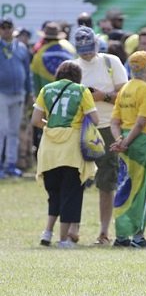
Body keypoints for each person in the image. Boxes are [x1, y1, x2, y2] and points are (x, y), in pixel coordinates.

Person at [31, 61, 99, 248]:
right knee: (71, 193)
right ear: (78, 76)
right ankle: (63, 239)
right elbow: (95, 119)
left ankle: (47, 233)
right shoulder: (81, 90)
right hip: (72, 149)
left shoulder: (46, 89)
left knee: (54, 193)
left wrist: (52, 125)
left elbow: (35, 120)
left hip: (49, 149)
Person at [73, 26, 129, 245]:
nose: (87, 53)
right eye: (82, 50)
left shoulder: (111, 62)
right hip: (80, 128)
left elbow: (125, 96)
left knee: (107, 181)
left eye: (90, 48)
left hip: (107, 127)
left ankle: (104, 232)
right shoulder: (72, 67)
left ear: (97, 44)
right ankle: (72, 229)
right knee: (75, 179)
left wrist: (101, 96)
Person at [110, 51, 146, 248]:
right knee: (143, 189)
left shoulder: (125, 89)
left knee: (126, 187)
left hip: (125, 140)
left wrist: (120, 140)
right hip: (143, 142)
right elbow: (142, 122)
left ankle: (122, 234)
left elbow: (115, 121)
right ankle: (138, 237)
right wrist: (126, 141)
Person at [0, 18, 32, 178]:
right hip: (1, 93)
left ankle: (10, 164)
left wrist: (30, 92)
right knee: (2, 130)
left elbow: (27, 72)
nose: (6, 30)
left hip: (18, 93)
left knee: (14, 130)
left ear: (13, 29)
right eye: (3, 27)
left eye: (9, 27)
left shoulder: (21, 47)